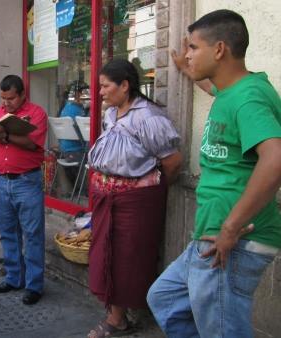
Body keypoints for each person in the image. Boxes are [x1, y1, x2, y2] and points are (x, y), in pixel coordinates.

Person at [147, 10, 281, 338]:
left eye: (193, 47)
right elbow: (213, 88)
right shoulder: (230, 92)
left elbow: (275, 159)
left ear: (219, 50)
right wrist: (187, 69)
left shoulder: (248, 97)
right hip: (214, 236)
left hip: (234, 241)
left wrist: (230, 229)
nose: (187, 53)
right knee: (164, 297)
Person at [85, 58, 182, 338]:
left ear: (124, 86)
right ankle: (117, 316)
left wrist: (152, 190)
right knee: (107, 254)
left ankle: (117, 320)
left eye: (105, 86)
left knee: (128, 259)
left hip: (135, 203)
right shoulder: (111, 114)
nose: (100, 92)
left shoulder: (149, 118)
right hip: (108, 199)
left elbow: (173, 162)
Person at [0, 75, 48, 305]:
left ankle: (34, 285)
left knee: (33, 235)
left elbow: (32, 144)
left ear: (22, 95)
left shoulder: (36, 113)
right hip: (1, 181)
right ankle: (14, 277)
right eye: (3, 98)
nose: (6, 103)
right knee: (8, 232)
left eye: (11, 98)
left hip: (27, 181)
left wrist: (4, 135)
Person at [57, 82, 90, 183]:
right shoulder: (78, 110)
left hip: (65, 152)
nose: (88, 96)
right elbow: (86, 134)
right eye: (85, 93)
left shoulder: (66, 107)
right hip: (78, 152)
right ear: (77, 94)